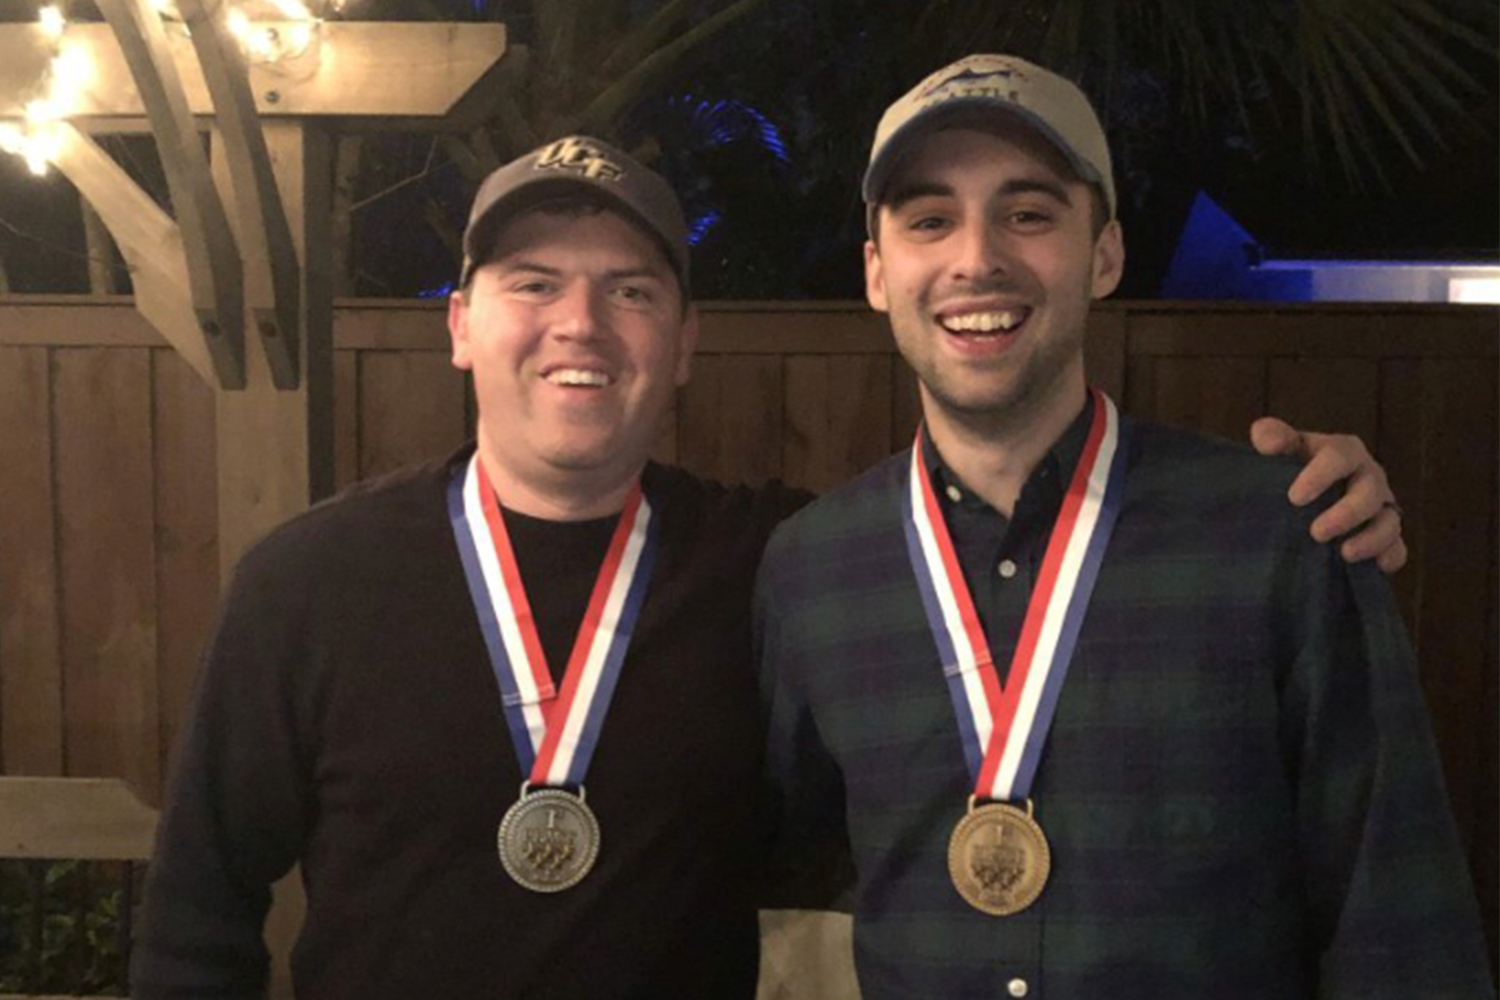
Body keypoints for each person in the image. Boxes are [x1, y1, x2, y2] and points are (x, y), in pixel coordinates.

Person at [131, 134, 1409, 999]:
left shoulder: (784, 563)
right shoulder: (303, 582)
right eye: (533, 284)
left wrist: (1315, 502)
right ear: (462, 324)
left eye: (630, 291)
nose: (580, 324)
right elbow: (196, 918)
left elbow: (990, 554)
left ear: (682, 342)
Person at [753, 55, 1492, 1000]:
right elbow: (779, 870)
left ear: (1104, 253)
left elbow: (1400, 923)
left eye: (1028, 214)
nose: (975, 257)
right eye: (930, 219)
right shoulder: (810, 570)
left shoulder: (1279, 537)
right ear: (876, 271)